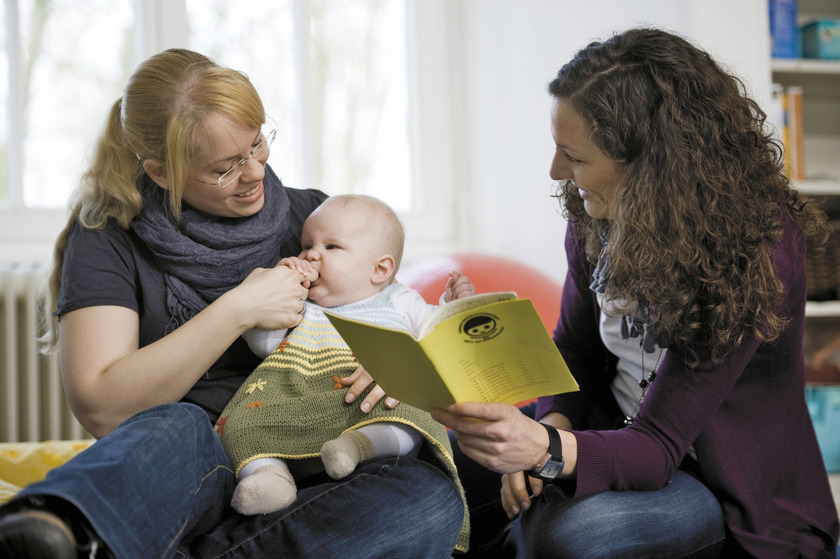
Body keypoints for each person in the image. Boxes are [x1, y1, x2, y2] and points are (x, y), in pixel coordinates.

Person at [0, 49, 466, 558]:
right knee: (177, 425)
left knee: (430, 500)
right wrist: (237, 309)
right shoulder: (109, 238)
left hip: (314, 455)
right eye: (225, 168)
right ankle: (58, 523)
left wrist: (400, 366)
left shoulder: (313, 218)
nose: (254, 173)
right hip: (195, 463)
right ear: (160, 172)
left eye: (258, 143)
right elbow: (103, 407)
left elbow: (398, 309)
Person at [432, 27, 840, 559]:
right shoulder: (594, 212)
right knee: (435, 463)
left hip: (712, 473)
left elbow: (659, 446)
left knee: (571, 536)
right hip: (608, 425)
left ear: (649, 165)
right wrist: (550, 426)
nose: (556, 172)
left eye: (573, 156)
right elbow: (575, 347)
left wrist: (546, 452)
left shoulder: (753, 251)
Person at [219, 195, 473, 544]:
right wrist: (262, 300)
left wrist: (456, 312)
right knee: (240, 424)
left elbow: (442, 344)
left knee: (413, 409)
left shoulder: (400, 300)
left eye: (331, 246)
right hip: (297, 400)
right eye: (307, 245)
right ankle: (269, 476)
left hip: (366, 404)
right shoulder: (300, 304)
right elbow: (264, 345)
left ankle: (357, 446)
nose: (311, 254)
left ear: (379, 270)